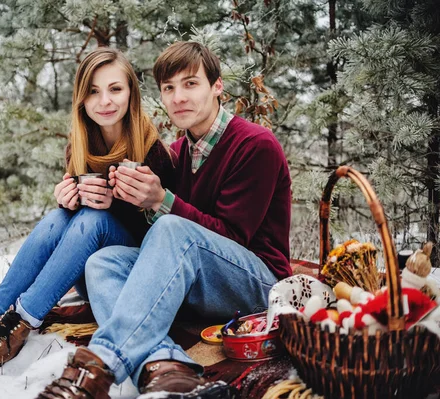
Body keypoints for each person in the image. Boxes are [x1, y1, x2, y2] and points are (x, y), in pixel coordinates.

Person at [35, 41, 291, 399]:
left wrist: (162, 201)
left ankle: (96, 366)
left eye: (190, 84)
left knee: (172, 227)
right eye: (168, 88)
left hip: (260, 286)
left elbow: (232, 238)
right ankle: (166, 368)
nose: (178, 97)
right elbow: (161, 242)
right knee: (102, 263)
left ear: (217, 87)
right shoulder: (177, 153)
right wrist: (86, 197)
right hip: (202, 287)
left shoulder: (255, 145)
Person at [0, 47, 175, 378]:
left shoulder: (153, 150)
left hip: (130, 266)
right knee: (59, 218)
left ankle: (19, 325)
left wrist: (115, 204)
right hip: (85, 265)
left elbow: (164, 232)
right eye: (93, 92)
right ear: (81, 99)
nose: (105, 101)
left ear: (131, 92)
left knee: (96, 218)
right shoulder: (79, 144)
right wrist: (67, 198)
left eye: (115, 89)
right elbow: (70, 219)